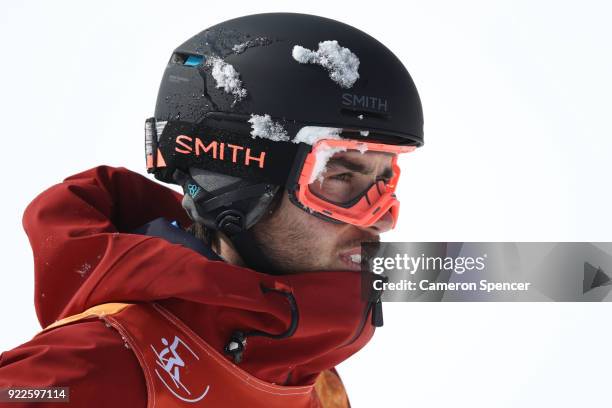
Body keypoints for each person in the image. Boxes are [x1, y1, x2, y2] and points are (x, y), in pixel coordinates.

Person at [0, 12, 423, 407]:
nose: (382, 217)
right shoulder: (97, 368)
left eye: (385, 183)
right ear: (239, 186)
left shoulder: (306, 372)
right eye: (341, 178)